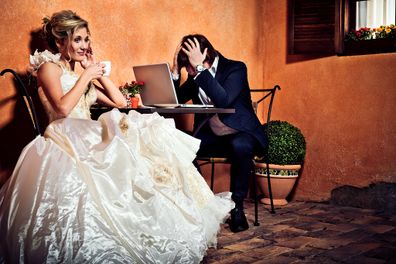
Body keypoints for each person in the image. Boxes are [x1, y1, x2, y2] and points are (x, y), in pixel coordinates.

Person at [0, 11, 234, 263]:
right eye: (78, 40)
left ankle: (156, 220)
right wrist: (86, 77)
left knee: (146, 131)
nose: (84, 46)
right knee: (126, 143)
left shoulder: (81, 74)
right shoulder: (49, 68)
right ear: (60, 42)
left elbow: (120, 101)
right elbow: (62, 109)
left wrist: (95, 72)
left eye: (86, 40)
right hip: (65, 133)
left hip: (87, 132)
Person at [171, 34, 267, 233]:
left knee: (240, 146)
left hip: (240, 131)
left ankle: (237, 208)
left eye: (189, 65)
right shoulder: (194, 74)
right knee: (181, 146)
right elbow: (175, 100)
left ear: (204, 55)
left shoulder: (236, 68)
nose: (189, 71)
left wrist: (198, 69)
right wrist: (175, 73)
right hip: (213, 135)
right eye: (186, 68)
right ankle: (204, 204)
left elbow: (223, 100)